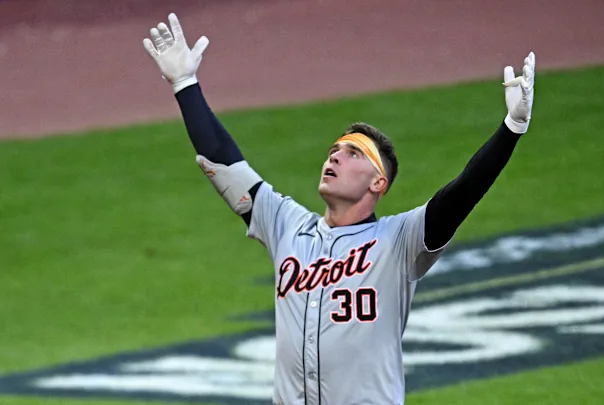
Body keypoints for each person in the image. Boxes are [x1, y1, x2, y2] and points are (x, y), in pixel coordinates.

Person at [142, 13, 536, 405]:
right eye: (334, 150)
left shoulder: (398, 242)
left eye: (353, 154)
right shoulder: (285, 225)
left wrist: (511, 128)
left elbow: (463, 192)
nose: (334, 157)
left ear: (378, 183)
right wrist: (185, 84)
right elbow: (223, 162)